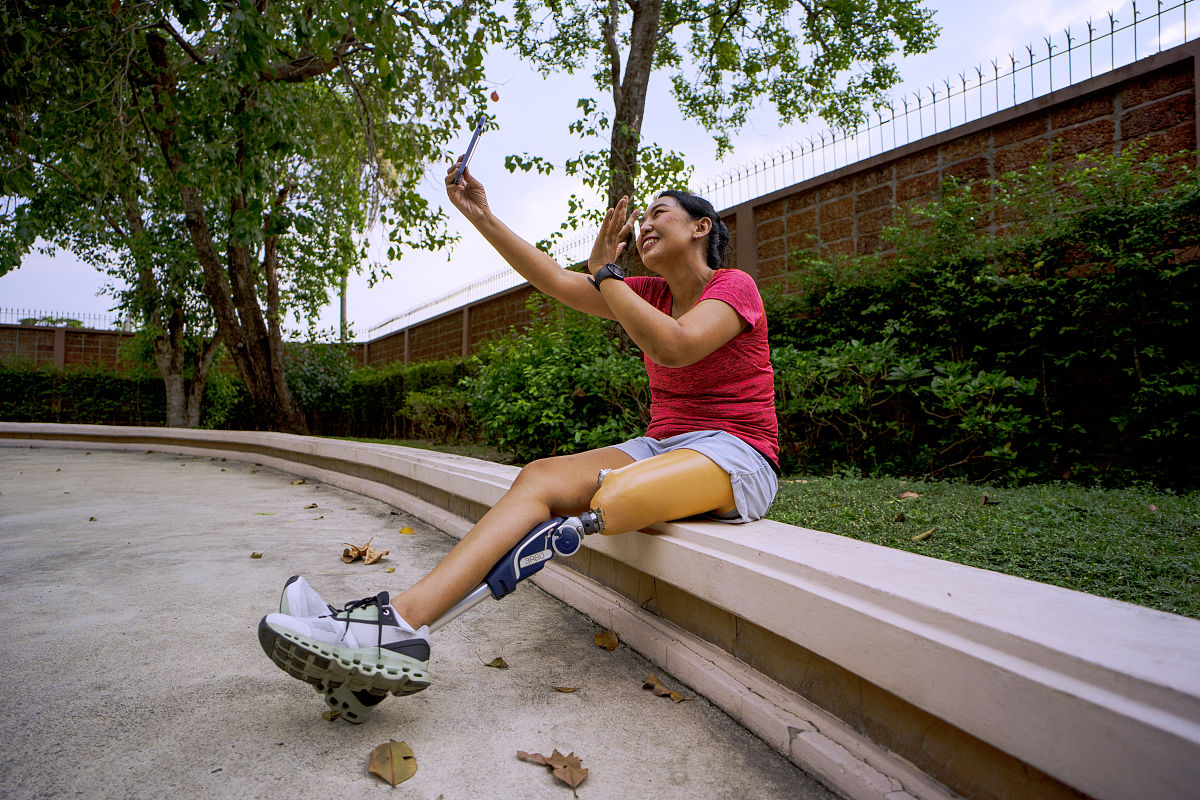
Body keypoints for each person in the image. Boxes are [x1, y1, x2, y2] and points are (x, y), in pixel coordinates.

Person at [258, 161, 779, 720]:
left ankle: (382, 637)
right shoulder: (645, 292)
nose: (645, 225)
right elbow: (554, 280)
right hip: (663, 444)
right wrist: (481, 215)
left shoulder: (734, 287)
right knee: (538, 477)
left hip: (736, 450)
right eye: (643, 218)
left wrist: (606, 273)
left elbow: (676, 346)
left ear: (702, 227)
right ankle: (394, 626)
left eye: (660, 214)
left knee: (614, 497)